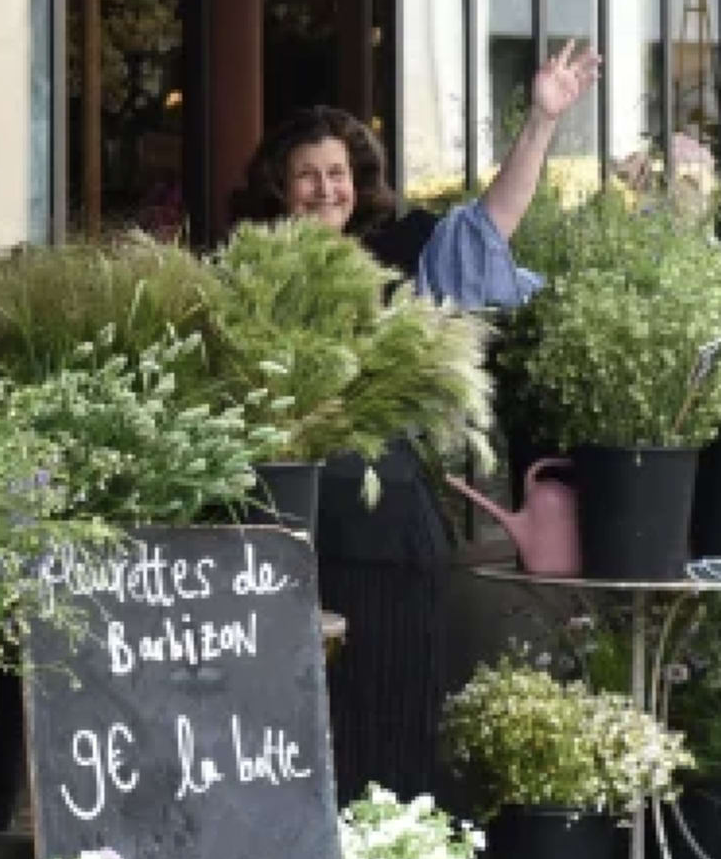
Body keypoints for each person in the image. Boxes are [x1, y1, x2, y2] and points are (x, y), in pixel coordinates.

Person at [238, 41, 598, 801]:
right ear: (280, 185)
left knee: (388, 715)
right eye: (306, 174)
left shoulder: (403, 251)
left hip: (387, 527)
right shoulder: (245, 268)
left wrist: (540, 120)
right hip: (282, 530)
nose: (323, 188)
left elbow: (495, 222)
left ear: (357, 180)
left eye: (336, 172)